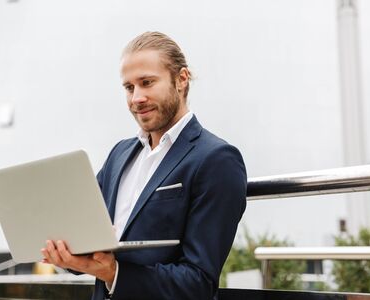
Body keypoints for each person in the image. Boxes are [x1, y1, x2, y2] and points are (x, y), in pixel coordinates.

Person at [41, 31, 247, 300]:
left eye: (147, 83)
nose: (136, 97)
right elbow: (93, 243)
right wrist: (70, 255)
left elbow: (198, 283)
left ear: (182, 79)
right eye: (129, 87)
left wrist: (114, 273)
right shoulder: (119, 155)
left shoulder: (217, 159)